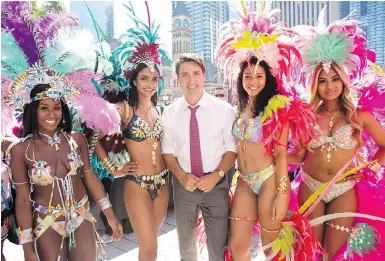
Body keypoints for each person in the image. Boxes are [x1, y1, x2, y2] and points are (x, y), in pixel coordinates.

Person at [214, 3, 321, 260]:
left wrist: (282, 195)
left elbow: (282, 155)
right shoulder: (239, 108)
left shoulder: (276, 108)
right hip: (244, 181)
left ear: (268, 78)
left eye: (258, 76)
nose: (253, 81)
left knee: (272, 248)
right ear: (240, 79)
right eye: (248, 76)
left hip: (269, 181)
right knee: (237, 247)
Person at [290, 7, 385, 261]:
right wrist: (272, 158)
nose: (329, 85)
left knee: (331, 256)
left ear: (343, 81)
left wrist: (371, 167)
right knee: (309, 254)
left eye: (334, 79)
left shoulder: (359, 116)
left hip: (344, 189)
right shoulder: (307, 115)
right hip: (310, 186)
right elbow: (299, 156)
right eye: (322, 80)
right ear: (315, 85)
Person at [92, 3, 172, 261]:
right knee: (150, 248)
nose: (150, 84)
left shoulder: (160, 111)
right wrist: (112, 168)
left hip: (163, 184)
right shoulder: (124, 109)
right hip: (136, 185)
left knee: (149, 248)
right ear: (134, 81)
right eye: (144, 79)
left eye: (154, 79)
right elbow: (93, 136)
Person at [162, 53, 237, 261]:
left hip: (215, 185)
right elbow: (167, 152)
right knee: (186, 247)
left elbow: (231, 149)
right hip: (183, 184)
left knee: (218, 246)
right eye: (184, 75)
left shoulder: (224, 110)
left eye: (196, 73)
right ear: (178, 79)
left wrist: (217, 175)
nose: (191, 80)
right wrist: (180, 176)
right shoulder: (169, 113)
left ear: (204, 75)